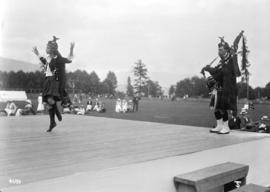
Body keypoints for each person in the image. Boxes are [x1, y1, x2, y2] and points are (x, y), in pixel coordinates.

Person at [203, 30, 244, 134]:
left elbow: (235, 46)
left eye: (221, 49)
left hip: (228, 88)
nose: (219, 51)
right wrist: (207, 69)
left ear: (226, 50)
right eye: (218, 49)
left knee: (223, 108)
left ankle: (226, 127)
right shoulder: (222, 62)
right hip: (219, 87)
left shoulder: (230, 61)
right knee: (217, 108)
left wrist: (239, 35)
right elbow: (217, 71)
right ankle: (219, 125)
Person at [33, 36, 71, 132]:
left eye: (48, 47)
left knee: (49, 100)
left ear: (53, 49)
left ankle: (56, 115)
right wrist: (37, 53)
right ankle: (52, 122)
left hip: (54, 81)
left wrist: (71, 49)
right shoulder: (48, 58)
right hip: (47, 81)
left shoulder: (58, 58)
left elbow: (69, 60)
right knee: (48, 103)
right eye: (46, 47)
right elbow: (44, 62)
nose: (46, 48)